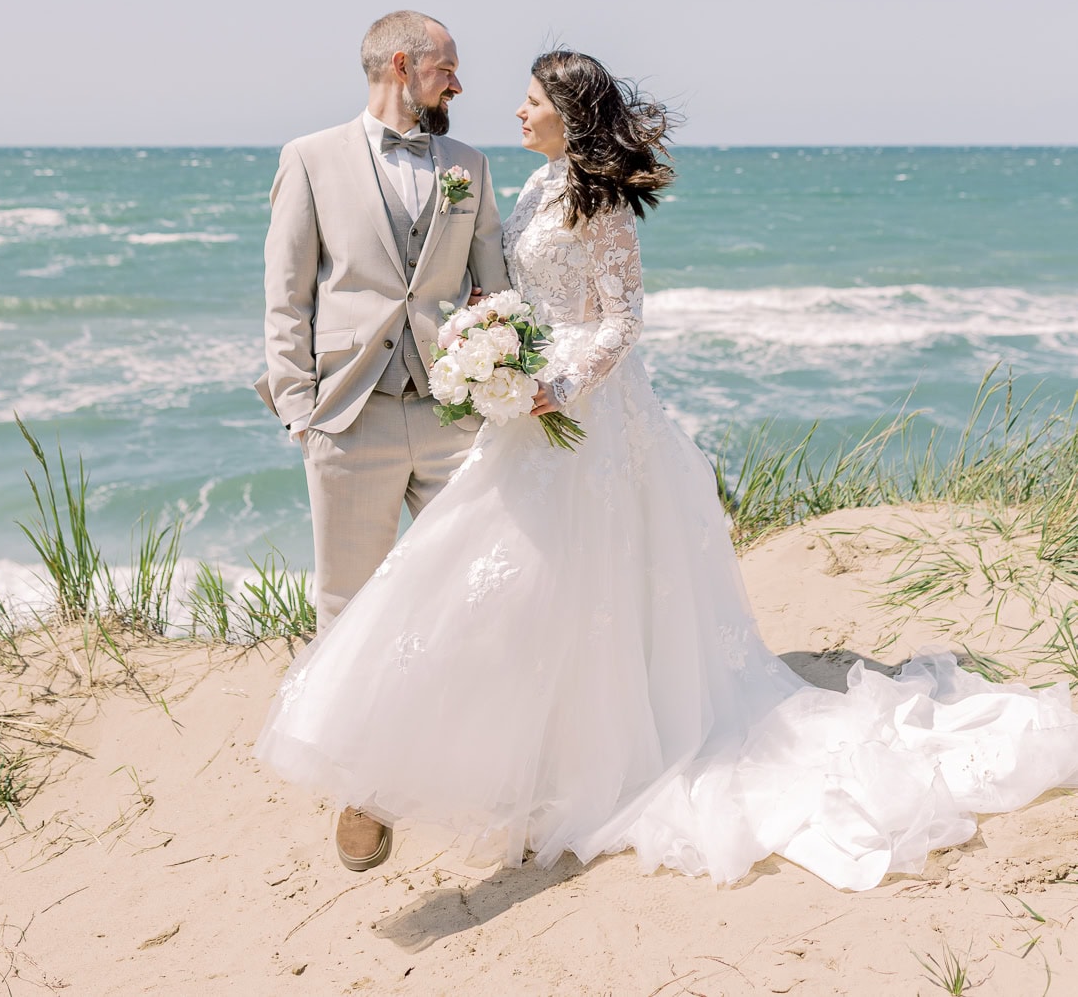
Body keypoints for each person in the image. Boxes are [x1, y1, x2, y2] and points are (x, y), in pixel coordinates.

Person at [256, 49, 1078, 891]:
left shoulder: (599, 201)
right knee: (507, 574)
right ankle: (457, 755)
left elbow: (623, 320)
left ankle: (558, 756)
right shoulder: (538, 187)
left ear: (567, 114)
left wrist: (560, 385)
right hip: (527, 404)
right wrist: (490, 338)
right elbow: (512, 289)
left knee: (555, 574)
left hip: (587, 413)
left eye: (531, 99)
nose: (517, 111)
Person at [255, 9, 509, 872]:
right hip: (350, 416)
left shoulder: (468, 167)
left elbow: (495, 289)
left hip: (452, 416)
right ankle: (360, 786)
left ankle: (473, 769)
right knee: (348, 608)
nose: (459, 84)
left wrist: (499, 374)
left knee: (477, 591)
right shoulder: (310, 157)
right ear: (402, 64)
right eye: (448, 68)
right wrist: (298, 408)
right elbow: (286, 295)